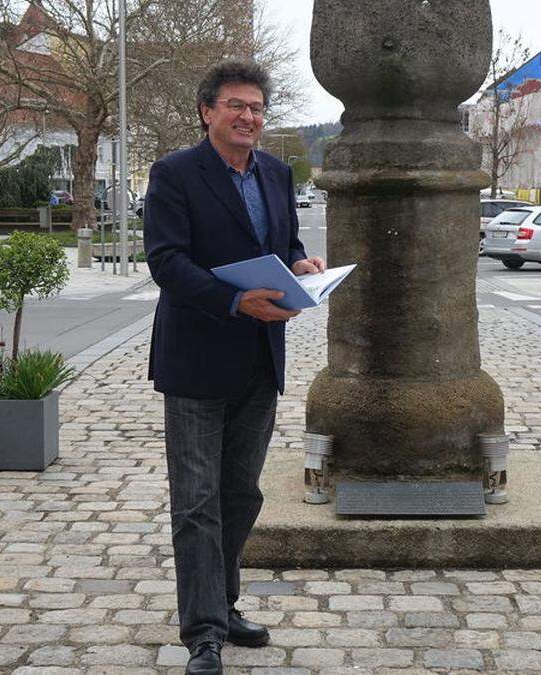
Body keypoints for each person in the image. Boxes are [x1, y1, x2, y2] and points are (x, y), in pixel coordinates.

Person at [143, 59, 326, 675]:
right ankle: (202, 636)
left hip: (259, 357)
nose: (248, 117)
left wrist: (301, 267)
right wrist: (232, 299)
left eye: (256, 108)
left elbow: (287, 243)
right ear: (207, 111)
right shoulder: (175, 173)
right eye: (236, 106)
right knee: (196, 501)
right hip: (196, 358)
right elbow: (166, 261)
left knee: (241, 493)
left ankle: (222, 604)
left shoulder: (276, 172)